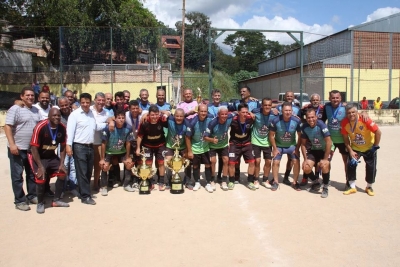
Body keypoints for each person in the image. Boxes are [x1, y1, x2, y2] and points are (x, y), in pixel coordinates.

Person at [66, 93, 108, 205]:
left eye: (87, 102)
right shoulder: (74, 115)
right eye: (83, 102)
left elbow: (96, 127)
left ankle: (82, 190)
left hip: (90, 146)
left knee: (89, 171)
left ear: (90, 103)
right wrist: (68, 146)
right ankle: (85, 196)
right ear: (80, 102)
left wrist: (108, 124)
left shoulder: (91, 114)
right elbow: (70, 132)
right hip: (79, 146)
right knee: (82, 172)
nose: (85, 104)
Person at [5, 87, 40, 211]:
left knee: (31, 174)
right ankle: (19, 200)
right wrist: (12, 144)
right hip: (18, 149)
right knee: (17, 176)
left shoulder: (36, 110)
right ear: (22, 96)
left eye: (32, 95)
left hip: (32, 149)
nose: (30, 97)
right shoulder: (15, 109)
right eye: (27, 95)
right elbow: (8, 127)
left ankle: (32, 195)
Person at [29, 108, 69, 213]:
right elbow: (33, 148)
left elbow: (63, 146)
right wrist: (40, 166)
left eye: (59, 116)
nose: (57, 117)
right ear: (49, 117)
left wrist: (61, 163)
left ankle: (56, 200)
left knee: (62, 172)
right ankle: (40, 203)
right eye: (54, 115)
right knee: (41, 176)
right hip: (37, 156)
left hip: (51, 156)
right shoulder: (40, 127)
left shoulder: (62, 128)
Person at [341, 104, 381, 196]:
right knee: (351, 165)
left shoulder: (364, 119)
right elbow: (345, 139)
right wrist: (350, 151)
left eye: (353, 112)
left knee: (371, 168)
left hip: (369, 148)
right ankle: (352, 187)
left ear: (357, 112)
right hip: (355, 148)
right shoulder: (344, 123)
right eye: (349, 113)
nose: (351, 114)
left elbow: (378, 132)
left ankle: (369, 186)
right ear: (346, 114)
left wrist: (375, 146)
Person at [269, 102, 302, 190]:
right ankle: (275, 182)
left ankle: (295, 182)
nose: (288, 112)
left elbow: (300, 136)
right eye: (286, 110)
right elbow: (271, 135)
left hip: (291, 146)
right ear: (282, 111)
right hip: (279, 146)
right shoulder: (275, 120)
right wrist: (274, 149)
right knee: (276, 162)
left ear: (292, 111)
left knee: (296, 161)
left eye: (289, 110)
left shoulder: (297, 120)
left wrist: (297, 148)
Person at [99, 110, 133, 196]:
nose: (121, 120)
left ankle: (126, 184)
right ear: (115, 119)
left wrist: (128, 157)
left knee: (129, 164)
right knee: (105, 166)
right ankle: (104, 187)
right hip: (109, 151)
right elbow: (103, 143)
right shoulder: (108, 128)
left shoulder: (128, 128)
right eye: (119, 118)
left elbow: (128, 143)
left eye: (123, 118)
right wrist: (102, 158)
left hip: (122, 151)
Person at [300, 109, 333, 198]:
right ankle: (316, 182)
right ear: (306, 118)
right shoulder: (304, 127)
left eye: (312, 117)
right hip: (314, 149)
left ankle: (325, 187)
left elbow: (328, 142)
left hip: (324, 150)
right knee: (305, 167)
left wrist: (325, 159)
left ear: (316, 117)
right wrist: (305, 159)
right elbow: (303, 144)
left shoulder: (321, 125)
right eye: (308, 117)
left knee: (324, 165)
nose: (311, 119)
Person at [136, 105, 169, 190]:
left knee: (161, 163)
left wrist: (163, 112)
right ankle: (150, 181)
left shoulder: (162, 119)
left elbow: (170, 114)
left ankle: (161, 182)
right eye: (152, 115)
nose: (154, 117)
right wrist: (138, 148)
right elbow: (140, 136)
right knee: (148, 163)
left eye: (156, 114)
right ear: (149, 115)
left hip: (160, 144)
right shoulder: (144, 122)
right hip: (147, 145)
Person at [204, 106, 233, 191]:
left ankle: (224, 180)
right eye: (222, 114)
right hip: (213, 145)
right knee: (213, 161)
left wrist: (250, 113)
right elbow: (205, 137)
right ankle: (212, 179)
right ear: (218, 115)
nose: (224, 116)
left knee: (226, 160)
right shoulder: (212, 123)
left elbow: (237, 112)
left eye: (225, 114)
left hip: (223, 145)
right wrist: (212, 139)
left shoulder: (229, 117)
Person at [227, 103, 256, 190]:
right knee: (231, 163)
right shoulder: (233, 119)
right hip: (234, 144)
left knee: (252, 162)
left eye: (246, 112)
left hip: (246, 143)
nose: (245, 114)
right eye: (243, 112)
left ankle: (250, 181)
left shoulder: (250, 118)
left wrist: (252, 114)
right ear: (238, 112)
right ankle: (232, 180)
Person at [186, 104, 213, 192]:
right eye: (201, 111)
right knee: (196, 166)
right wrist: (190, 151)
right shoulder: (193, 122)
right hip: (195, 148)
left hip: (206, 148)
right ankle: (197, 182)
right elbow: (187, 137)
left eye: (205, 111)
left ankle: (208, 183)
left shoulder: (210, 118)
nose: (203, 113)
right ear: (198, 112)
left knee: (208, 164)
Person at [251, 98, 276, 189]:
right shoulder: (256, 112)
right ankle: (256, 179)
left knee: (268, 161)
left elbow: (286, 112)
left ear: (271, 106)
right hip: (255, 141)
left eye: (269, 105)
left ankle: (265, 179)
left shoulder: (274, 115)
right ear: (262, 106)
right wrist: (250, 113)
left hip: (267, 142)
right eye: (265, 105)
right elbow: (244, 111)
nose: (267, 107)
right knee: (257, 161)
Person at [57, 97, 80, 198]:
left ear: (69, 103)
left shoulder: (75, 113)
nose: (64, 107)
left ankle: (73, 187)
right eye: (62, 105)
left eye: (66, 104)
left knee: (74, 166)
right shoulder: (57, 116)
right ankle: (61, 189)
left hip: (75, 144)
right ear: (59, 106)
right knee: (63, 166)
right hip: (61, 145)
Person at [164, 108, 189, 188]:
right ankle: (169, 181)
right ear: (174, 116)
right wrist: (167, 113)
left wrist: (187, 150)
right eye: (177, 116)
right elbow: (161, 111)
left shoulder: (187, 124)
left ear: (184, 117)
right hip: (170, 145)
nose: (179, 118)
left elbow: (189, 137)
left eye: (181, 116)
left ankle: (187, 180)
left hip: (182, 146)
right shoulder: (170, 119)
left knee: (187, 160)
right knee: (168, 161)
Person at [91, 92, 111, 191]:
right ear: (95, 100)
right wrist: (105, 124)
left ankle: (96, 184)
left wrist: (109, 121)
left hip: (99, 143)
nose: (101, 102)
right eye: (99, 100)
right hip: (88, 142)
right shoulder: (89, 110)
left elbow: (111, 121)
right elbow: (93, 126)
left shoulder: (106, 112)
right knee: (87, 165)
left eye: (103, 100)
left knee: (98, 165)